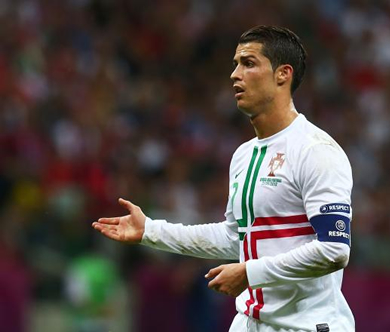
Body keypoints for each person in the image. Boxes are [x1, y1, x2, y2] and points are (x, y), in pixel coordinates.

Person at [93, 25, 354, 332]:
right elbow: (236, 237)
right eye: (235, 65)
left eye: (249, 63)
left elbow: (334, 250)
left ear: (283, 74)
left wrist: (250, 273)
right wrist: (151, 231)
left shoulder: (316, 151)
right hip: (249, 323)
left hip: (307, 326)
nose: (235, 74)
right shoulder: (244, 155)